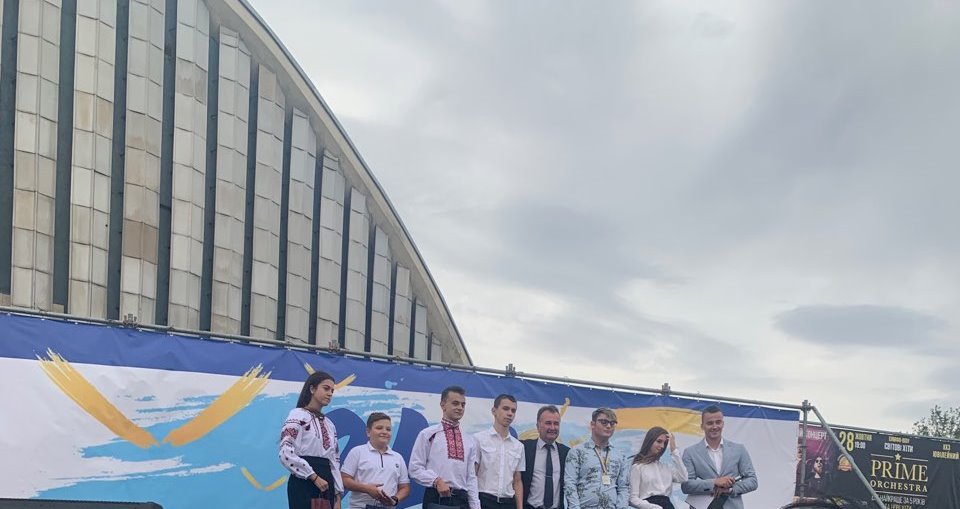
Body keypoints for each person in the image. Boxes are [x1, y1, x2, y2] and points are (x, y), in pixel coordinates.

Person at [280, 371, 345, 509]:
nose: (330, 393)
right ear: (312, 389)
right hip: (304, 482)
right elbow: (285, 453)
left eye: (332, 391)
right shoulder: (297, 415)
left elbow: (334, 461)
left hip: (327, 483)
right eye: (326, 388)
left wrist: (338, 496)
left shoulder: (330, 424)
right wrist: (313, 476)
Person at [409, 385, 481, 509]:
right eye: (455, 403)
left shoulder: (470, 440)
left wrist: (475, 505)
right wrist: (436, 481)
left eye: (463, 405)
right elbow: (414, 469)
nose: (460, 408)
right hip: (437, 496)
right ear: (443, 405)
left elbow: (471, 477)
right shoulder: (428, 434)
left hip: (462, 499)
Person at [680, 405, 757, 509]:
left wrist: (730, 489)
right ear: (702, 426)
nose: (714, 426)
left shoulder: (739, 449)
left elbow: (752, 480)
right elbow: (686, 486)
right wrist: (714, 482)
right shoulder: (690, 452)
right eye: (710, 423)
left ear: (723, 424)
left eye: (718, 422)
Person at [341, 412, 411, 509]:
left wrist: (395, 499)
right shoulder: (357, 452)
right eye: (379, 428)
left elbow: (405, 487)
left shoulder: (398, 457)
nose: (384, 432)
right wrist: (367, 489)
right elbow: (344, 479)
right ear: (368, 432)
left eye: (388, 429)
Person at [564, 408, 629, 509]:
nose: (608, 426)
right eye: (604, 422)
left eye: (612, 423)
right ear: (592, 424)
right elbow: (570, 484)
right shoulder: (577, 452)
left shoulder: (620, 455)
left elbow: (623, 487)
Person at [475, 394, 526, 509]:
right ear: (494, 411)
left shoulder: (519, 446)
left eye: (513, 410)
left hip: (508, 503)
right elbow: (473, 474)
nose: (510, 413)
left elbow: (517, 481)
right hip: (484, 500)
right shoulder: (479, 439)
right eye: (505, 409)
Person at [521, 405, 570, 509]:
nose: (552, 428)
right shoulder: (524, 448)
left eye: (556, 423)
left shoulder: (566, 453)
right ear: (538, 426)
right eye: (548, 423)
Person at [628, 427, 686, 509]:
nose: (662, 446)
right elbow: (632, 499)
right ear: (650, 441)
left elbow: (683, 478)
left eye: (665, 443)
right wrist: (653, 507)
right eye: (659, 441)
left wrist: (674, 450)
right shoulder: (638, 467)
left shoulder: (666, 467)